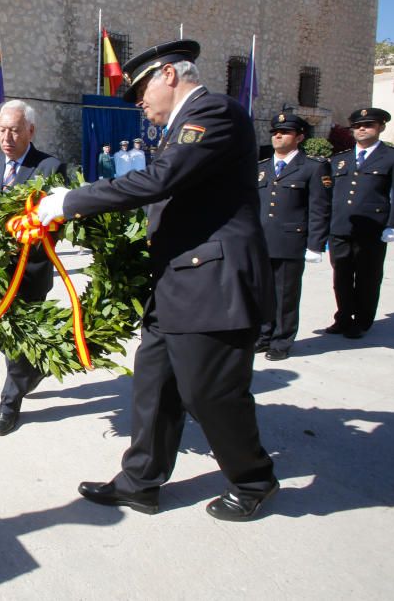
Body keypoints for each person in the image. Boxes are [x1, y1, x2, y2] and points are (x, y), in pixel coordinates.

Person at [37, 39, 278, 521]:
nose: (139, 103)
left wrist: (73, 200)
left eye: (142, 90)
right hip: (178, 282)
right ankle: (140, 481)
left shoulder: (214, 112)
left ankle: (253, 479)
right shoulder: (180, 128)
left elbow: (159, 182)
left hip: (214, 283)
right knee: (154, 387)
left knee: (211, 392)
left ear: (168, 74)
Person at [0, 99, 65, 436]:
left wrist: (30, 237)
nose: (7, 137)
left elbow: (59, 223)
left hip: (32, 270)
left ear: (30, 131)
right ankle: (33, 369)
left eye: (14, 130)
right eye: (2, 130)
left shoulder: (50, 167)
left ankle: (9, 404)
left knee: (19, 335)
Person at [254, 112, 331, 360]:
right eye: (275, 131)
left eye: (285, 132)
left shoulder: (312, 167)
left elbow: (319, 208)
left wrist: (316, 245)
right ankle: (263, 335)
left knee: (285, 295)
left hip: (290, 242)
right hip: (262, 242)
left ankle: (282, 341)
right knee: (262, 293)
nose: (278, 135)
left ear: (299, 137)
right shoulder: (262, 168)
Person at [325, 107, 394, 338]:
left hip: (373, 228)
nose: (362, 129)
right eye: (357, 125)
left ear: (381, 127)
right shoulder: (340, 160)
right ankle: (343, 316)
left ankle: (362, 321)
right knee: (340, 276)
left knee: (367, 278)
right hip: (340, 226)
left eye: (368, 125)